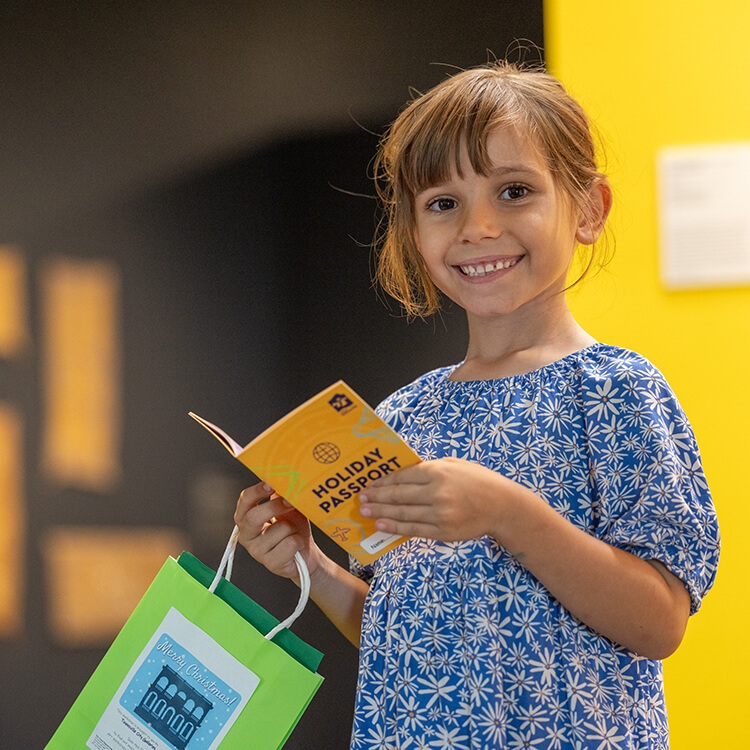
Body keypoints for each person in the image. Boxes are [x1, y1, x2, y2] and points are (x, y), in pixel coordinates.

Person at [234, 60, 720, 749]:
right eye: (442, 203)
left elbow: (659, 622)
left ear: (589, 209)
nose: (479, 227)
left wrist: (505, 511)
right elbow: (406, 624)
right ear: (412, 228)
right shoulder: (402, 416)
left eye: (514, 191)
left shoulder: (616, 391)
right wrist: (306, 566)